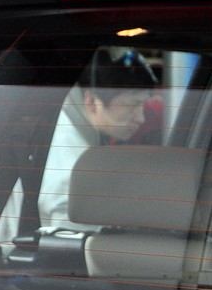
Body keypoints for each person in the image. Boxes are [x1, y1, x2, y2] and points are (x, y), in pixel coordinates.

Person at [38, 47, 160, 230]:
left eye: (143, 104)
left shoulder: (73, 126)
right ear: (91, 101)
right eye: (133, 105)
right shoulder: (72, 167)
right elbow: (72, 241)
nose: (141, 118)